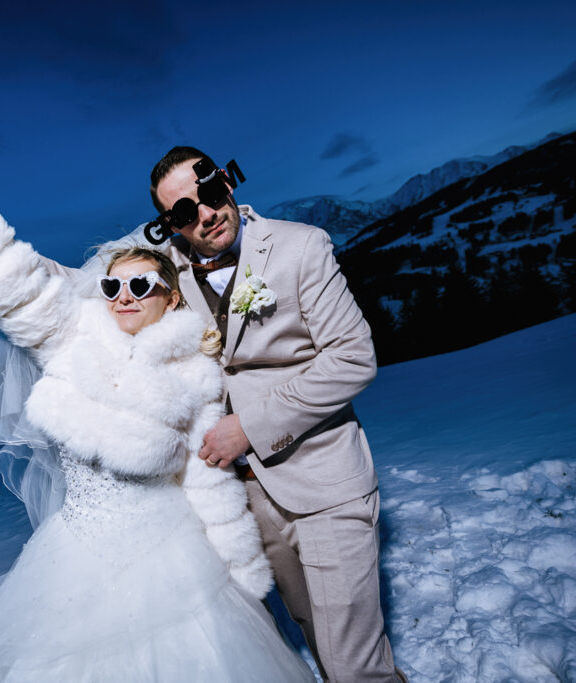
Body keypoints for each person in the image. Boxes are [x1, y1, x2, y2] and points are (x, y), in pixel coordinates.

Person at [0, 137, 315, 682]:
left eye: (140, 284)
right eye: (112, 285)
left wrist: (240, 571)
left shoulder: (196, 375)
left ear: (170, 297)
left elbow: (206, 479)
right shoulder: (71, 339)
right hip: (73, 561)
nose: (124, 295)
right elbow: (3, 274)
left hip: (173, 560)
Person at [148, 146, 402, 682]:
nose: (206, 214)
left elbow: (353, 357)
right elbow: (82, 278)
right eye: (184, 212)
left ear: (228, 185)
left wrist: (250, 426)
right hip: (247, 501)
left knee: (354, 668)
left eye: (211, 195)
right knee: (313, 634)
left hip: (325, 484)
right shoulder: (171, 273)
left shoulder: (300, 246)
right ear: (170, 225)